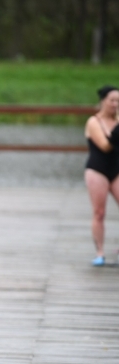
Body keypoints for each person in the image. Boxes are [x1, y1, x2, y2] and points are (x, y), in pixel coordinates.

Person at [84, 85, 119, 266]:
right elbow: (105, 146)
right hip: (97, 170)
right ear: (103, 101)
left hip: (117, 169)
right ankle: (100, 252)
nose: (115, 104)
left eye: (118, 101)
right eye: (112, 100)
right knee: (99, 212)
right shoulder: (94, 122)